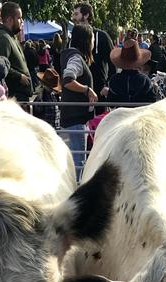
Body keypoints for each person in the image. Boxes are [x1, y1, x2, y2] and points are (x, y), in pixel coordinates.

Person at [60, 22, 95, 179]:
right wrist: (87, 89)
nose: (93, 43)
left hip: (74, 116)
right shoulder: (76, 58)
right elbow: (68, 79)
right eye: (92, 39)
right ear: (87, 40)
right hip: (76, 117)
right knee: (79, 160)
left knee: (77, 159)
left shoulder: (72, 55)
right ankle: (75, 195)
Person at [0, 3, 33, 102]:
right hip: (14, 96)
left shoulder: (10, 36)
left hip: (20, 94)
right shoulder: (3, 37)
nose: (22, 21)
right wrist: (19, 76)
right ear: (10, 19)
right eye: (19, 18)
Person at [71, 3, 113, 99]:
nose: (74, 17)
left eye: (76, 14)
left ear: (86, 15)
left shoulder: (102, 36)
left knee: (100, 114)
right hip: (80, 91)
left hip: (99, 91)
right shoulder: (73, 38)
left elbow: (112, 62)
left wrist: (108, 85)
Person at [107, 36, 159, 103]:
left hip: (120, 113)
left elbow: (110, 102)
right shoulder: (145, 80)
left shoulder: (114, 80)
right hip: (140, 113)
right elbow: (152, 100)